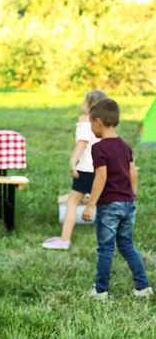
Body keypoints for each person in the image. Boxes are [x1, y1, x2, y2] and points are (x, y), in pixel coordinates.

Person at [81, 98, 152, 300]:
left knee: (105, 248)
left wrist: (90, 205)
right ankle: (143, 287)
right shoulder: (124, 146)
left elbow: (101, 177)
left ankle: (101, 290)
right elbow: (133, 175)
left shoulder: (99, 148)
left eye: (91, 123)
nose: (91, 127)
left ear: (99, 122)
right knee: (127, 244)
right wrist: (132, 195)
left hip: (109, 206)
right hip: (128, 204)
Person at [42, 89, 107, 250]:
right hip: (102, 170)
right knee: (105, 202)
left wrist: (72, 160)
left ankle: (64, 240)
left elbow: (82, 142)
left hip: (86, 170)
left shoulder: (85, 120)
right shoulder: (104, 123)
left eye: (84, 101)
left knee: (72, 202)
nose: (81, 104)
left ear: (89, 104)